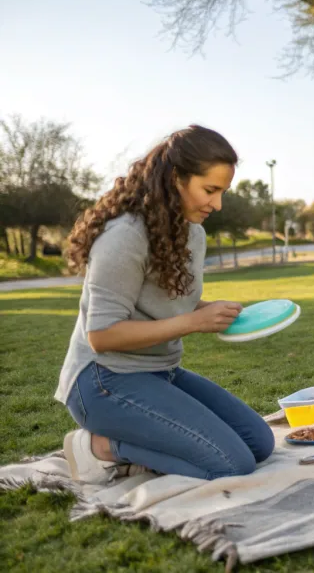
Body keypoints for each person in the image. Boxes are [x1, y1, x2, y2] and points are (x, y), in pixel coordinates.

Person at [57, 125, 274, 483]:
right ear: (176, 178)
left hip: (160, 372)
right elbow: (102, 335)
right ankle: (102, 447)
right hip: (104, 380)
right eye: (210, 190)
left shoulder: (192, 232)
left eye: (222, 192)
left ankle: (148, 447)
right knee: (231, 463)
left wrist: (203, 308)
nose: (217, 204)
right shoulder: (124, 236)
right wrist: (192, 323)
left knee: (259, 443)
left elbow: (162, 299)